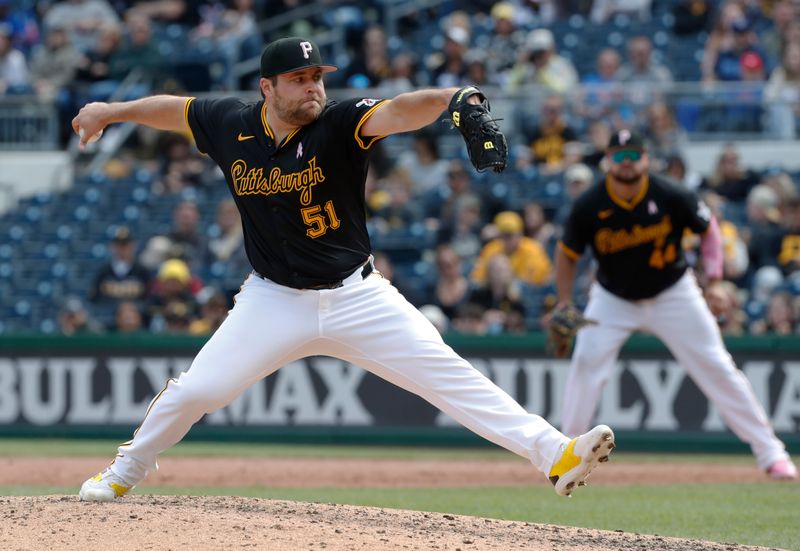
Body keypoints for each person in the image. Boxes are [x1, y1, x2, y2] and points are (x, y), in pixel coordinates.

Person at [72, 36, 615, 502]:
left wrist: (458, 99)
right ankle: (123, 472)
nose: (313, 87)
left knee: (451, 377)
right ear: (268, 87)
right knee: (196, 392)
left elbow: (401, 109)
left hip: (358, 297)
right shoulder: (229, 124)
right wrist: (110, 111)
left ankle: (555, 455)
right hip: (273, 299)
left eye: (317, 76)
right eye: (298, 78)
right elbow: (175, 109)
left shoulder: (339, 122)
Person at [554, 129, 796, 480]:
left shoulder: (670, 192)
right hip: (613, 298)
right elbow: (566, 255)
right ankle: (567, 457)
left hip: (673, 292)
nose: (626, 163)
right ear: (608, 161)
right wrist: (563, 302)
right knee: (586, 363)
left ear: (645, 159)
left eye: (632, 155)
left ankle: (772, 454)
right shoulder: (590, 204)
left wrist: (714, 280)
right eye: (619, 156)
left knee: (717, 366)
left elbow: (709, 230)